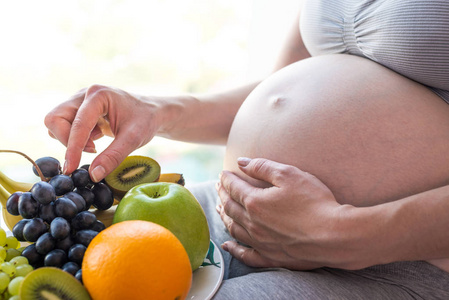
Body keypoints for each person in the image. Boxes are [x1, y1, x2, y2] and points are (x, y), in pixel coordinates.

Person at [45, 1, 449, 299]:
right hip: (228, 214)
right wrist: (157, 111)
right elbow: (284, 88)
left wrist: (341, 231)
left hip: (395, 261)